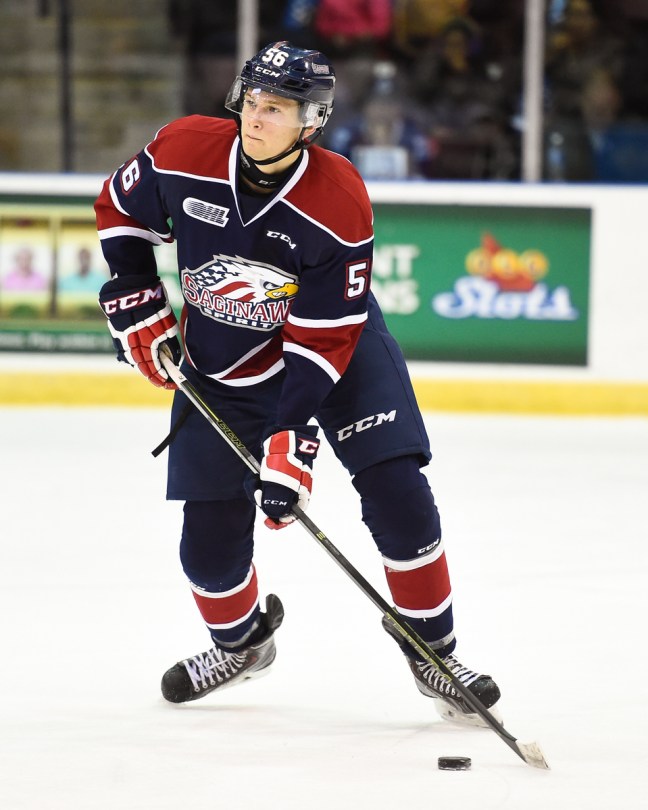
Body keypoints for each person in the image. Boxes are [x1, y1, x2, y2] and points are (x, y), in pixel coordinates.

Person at [95, 41, 501, 724]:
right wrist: (134, 288)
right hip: (224, 361)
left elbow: (320, 342)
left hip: (336, 355)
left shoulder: (337, 197)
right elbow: (120, 208)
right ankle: (244, 644)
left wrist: (291, 438)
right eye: (251, 100)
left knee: (398, 491)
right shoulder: (183, 148)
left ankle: (435, 654)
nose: (255, 117)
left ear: (310, 121)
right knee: (208, 551)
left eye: (275, 107)